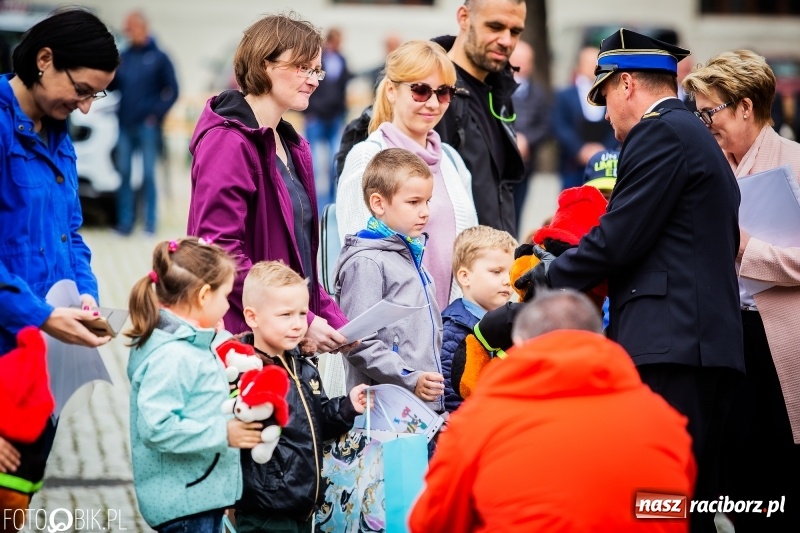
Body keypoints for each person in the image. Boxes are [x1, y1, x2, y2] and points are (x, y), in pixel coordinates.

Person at [517, 29, 745, 532]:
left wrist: (549, 275)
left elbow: (618, 237)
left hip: (672, 346)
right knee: (688, 502)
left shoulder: (659, 132)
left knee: (659, 500)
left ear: (625, 84)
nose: (604, 115)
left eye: (603, 98)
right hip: (697, 344)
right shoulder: (689, 133)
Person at [409, 290, 695, 533]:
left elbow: (432, 522)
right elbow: (672, 510)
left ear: (521, 345)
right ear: (598, 338)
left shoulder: (479, 421)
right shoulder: (662, 420)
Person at [0, 9, 119, 528]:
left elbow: (71, 233)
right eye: (82, 90)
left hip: (39, 367)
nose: (86, 106)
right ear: (44, 60)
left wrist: (85, 295)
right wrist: (41, 314)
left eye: (97, 96)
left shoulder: (58, 135)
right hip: (7, 356)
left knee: (19, 503)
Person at [683, 50, 800, 531]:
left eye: (709, 112)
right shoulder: (708, 165)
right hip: (718, 335)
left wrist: (746, 248)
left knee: (773, 474)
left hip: (776, 341)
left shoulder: (795, 163)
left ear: (746, 107)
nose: (703, 123)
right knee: (725, 470)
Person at [187, 14, 349, 352]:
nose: (313, 80)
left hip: (281, 334)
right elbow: (219, 254)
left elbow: (299, 261)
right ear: (265, 64)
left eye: (316, 70)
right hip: (242, 341)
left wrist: (338, 323)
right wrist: (301, 319)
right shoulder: (228, 142)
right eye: (302, 68)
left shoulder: (291, 144)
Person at [126, 238, 265, 532]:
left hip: (197, 495)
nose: (227, 306)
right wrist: (223, 432)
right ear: (203, 296)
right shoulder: (172, 355)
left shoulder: (187, 341)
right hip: (186, 505)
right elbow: (157, 427)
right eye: (225, 296)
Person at [336, 40, 478, 310]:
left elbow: (470, 250)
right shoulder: (367, 157)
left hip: (451, 325)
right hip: (396, 327)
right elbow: (359, 261)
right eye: (420, 91)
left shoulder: (451, 160)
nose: (433, 103)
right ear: (391, 90)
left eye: (444, 92)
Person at [233, 261, 368, 533]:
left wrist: (346, 407)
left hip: (304, 506)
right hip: (266, 511)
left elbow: (317, 423)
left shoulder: (304, 367)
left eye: (302, 314)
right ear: (252, 317)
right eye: (285, 315)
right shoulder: (243, 371)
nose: (297, 325)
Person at [334, 149, 445, 412]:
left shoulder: (410, 253)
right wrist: (409, 377)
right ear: (378, 203)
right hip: (384, 414)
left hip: (420, 407)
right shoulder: (366, 262)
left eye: (427, 201)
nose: (425, 212)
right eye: (414, 202)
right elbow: (358, 342)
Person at [431, 0, 526, 234]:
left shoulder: (500, 90)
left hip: (496, 250)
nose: (506, 41)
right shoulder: (433, 92)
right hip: (458, 253)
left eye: (515, 31)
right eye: (495, 27)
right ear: (464, 17)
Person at [113, 11, 178, 236]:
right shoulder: (124, 57)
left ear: (142, 27)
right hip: (125, 124)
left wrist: (156, 115)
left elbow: (173, 90)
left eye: (130, 27)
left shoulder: (159, 57)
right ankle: (125, 223)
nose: (128, 32)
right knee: (124, 174)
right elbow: (113, 86)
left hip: (148, 127)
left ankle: (150, 223)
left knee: (149, 175)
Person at [440, 225, 517, 412]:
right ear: (465, 277)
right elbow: (450, 396)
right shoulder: (454, 330)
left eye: (511, 272)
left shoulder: (509, 324)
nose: (508, 281)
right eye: (496, 272)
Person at [551, 45, 618, 190]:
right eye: (588, 63)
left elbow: (617, 124)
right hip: (572, 164)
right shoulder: (564, 95)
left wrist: (603, 150)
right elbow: (559, 126)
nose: (593, 67)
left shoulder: (613, 95)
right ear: (579, 65)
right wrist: (579, 150)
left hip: (605, 163)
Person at [304, 28, 351, 209]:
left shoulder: (342, 60)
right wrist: (309, 111)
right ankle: (313, 200)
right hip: (316, 115)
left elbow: (343, 87)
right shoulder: (318, 60)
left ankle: (332, 201)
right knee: (313, 162)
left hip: (335, 115)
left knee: (335, 160)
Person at [509, 40, 550, 232]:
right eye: (517, 59)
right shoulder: (495, 90)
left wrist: (527, 140)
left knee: (518, 210)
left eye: (525, 60)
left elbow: (545, 125)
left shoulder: (538, 93)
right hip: (500, 164)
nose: (520, 64)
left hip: (525, 165)